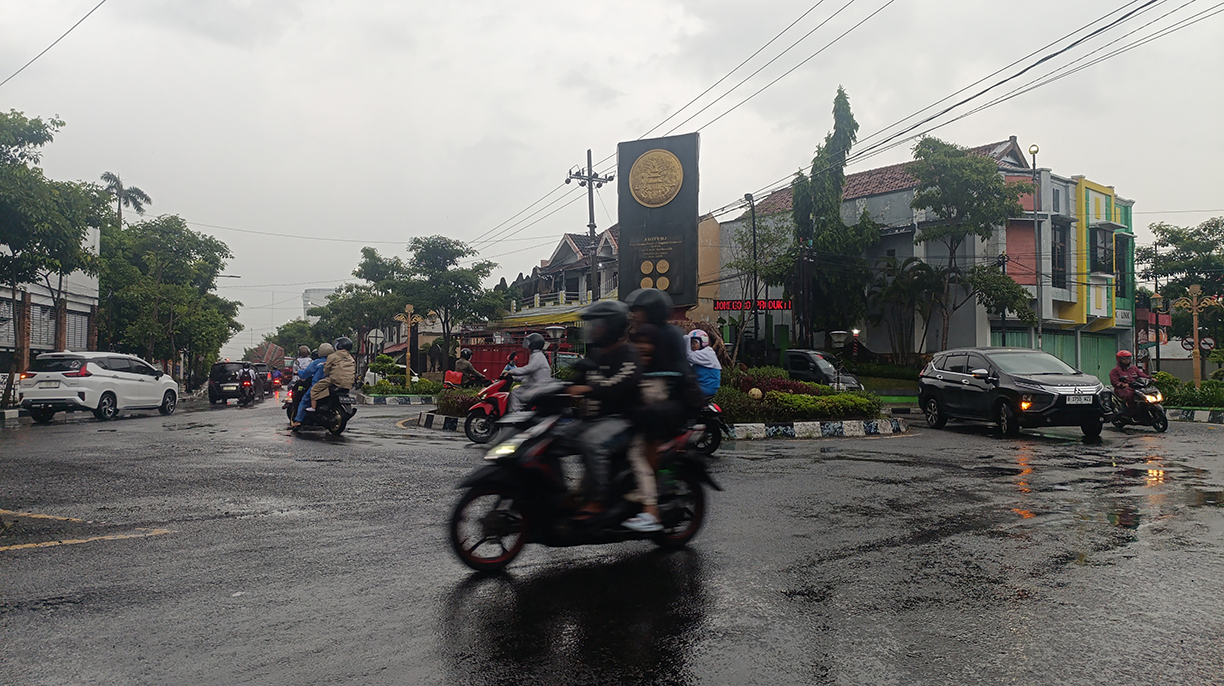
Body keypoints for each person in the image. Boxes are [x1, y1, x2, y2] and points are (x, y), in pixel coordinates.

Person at [569, 300, 642, 518]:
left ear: (613, 326)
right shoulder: (596, 355)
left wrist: (588, 389)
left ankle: (597, 500)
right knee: (554, 436)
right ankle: (567, 494)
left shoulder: (629, 353)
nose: (594, 329)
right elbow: (575, 381)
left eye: (598, 324)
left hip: (622, 420)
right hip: (592, 420)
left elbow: (621, 384)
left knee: (592, 442)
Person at [308, 337, 356, 414]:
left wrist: (327, 372)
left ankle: (313, 407)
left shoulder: (332, 356)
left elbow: (326, 370)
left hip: (335, 381)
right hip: (349, 383)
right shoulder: (351, 358)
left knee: (314, 389)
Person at [506, 333, 551, 412]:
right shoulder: (537, 355)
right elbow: (529, 375)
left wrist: (511, 372)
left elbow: (527, 369)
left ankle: (515, 417)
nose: (527, 346)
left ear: (533, 344)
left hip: (536, 387)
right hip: (537, 386)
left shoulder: (537, 355)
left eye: (528, 344)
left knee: (514, 394)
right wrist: (514, 377)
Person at [291, 344, 330, 428]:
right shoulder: (334, 360)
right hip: (332, 384)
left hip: (317, 384)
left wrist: (299, 373)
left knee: (305, 399)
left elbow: (305, 373)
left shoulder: (316, 362)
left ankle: (298, 421)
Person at [687, 329, 722, 398]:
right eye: (690, 343)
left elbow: (688, 356)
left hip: (706, 387)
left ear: (702, 342)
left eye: (694, 343)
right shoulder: (700, 354)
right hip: (701, 386)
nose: (692, 346)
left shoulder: (707, 353)